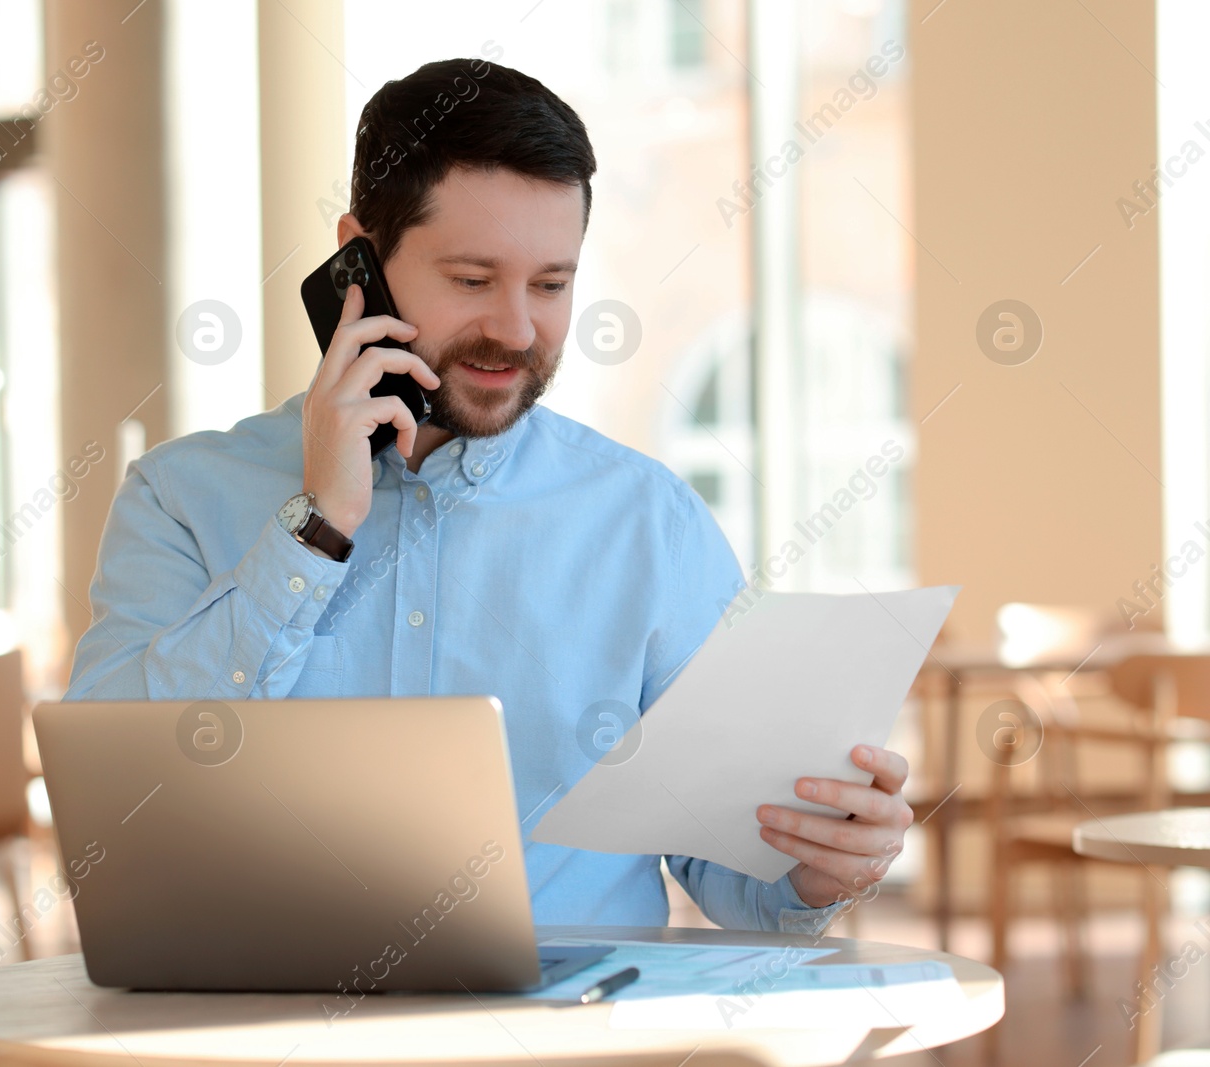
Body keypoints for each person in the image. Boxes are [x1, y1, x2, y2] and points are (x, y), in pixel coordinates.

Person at [66, 57, 912, 933]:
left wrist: (814, 869)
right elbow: (116, 804)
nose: (517, 328)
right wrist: (316, 526)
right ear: (360, 256)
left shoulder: (647, 523)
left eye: (552, 283)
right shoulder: (179, 498)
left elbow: (732, 868)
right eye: (472, 279)